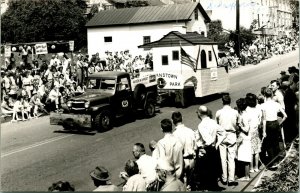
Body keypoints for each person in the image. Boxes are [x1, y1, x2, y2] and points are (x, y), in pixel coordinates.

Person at [195, 105, 225, 191]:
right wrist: (217, 143)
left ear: (199, 114)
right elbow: (223, 132)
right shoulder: (213, 122)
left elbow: (207, 139)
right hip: (213, 150)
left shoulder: (201, 125)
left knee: (205, 172)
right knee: (213, 171)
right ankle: (214, 187)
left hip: (206, 150)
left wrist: (203, 146)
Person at [215, 94, 239, 186]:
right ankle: (231, 179)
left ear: (222, 102)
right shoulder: (235, 112)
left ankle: (224, 178)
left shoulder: (218, 112)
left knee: (223, 158)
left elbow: (216, 125)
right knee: (231, 158)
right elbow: (238, 124)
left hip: (222, 136)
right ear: (230, 102)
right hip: (232, 135)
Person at [260, 88, 287, 168]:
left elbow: (264, 119)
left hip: (268, 124)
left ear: (264, 95)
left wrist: (264, 131)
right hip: (275, 123)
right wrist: (279, 123)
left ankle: (272, 162)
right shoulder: (276, 104)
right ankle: (277, 160)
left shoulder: (263, 105)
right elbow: (285, 116)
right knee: (275, 142)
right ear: (272, 95)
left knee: (269, 144)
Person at [171, 111, 196, 188]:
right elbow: (195, 146)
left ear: (172, 121)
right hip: (192, 159)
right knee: (190, 183)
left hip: (182, 161)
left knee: (183, 183)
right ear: (182, 118)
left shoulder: (174, 135)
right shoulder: (190, 131)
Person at [245, 93, 262, 173]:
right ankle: (256, 167)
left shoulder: (246, 110)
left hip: (249, 132)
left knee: (250, 151)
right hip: (256, 131)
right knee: (257, 150)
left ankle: (251, 168)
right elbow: (259, 121)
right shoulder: (257, 109)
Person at [236, 98, 251, 181]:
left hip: (245, 138)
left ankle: (246, 176)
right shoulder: (245, 114)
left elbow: (246, 129)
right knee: (245, 157)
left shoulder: (244, 116)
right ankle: (246, 175)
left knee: (245, 158)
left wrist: (239, 125)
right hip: (246, 138)